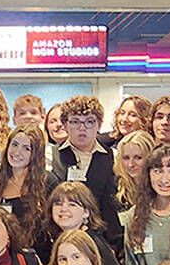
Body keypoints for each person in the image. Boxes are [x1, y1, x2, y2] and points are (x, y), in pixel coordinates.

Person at [49, 95, 123, 253]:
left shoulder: (114, 157)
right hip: (60, 239)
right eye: (75, 122)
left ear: (99, 125)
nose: (82, 128)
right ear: (65, 125)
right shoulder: (50, 156)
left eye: (89, 121)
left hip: (103, 241)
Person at [39, 182, 133, 265]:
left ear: (86, 212)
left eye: (72, 204)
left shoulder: (91, 242)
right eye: (58, 204)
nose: (63, 209)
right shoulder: (63, 240)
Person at [0, 124, 52, 248]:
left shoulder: (48, 182)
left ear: (36, 154)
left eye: (26, 148)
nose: (17, 152)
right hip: (2, 257)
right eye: (14, 145)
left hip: (38, 258)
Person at [114, 130, 153, 215]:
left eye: (138, 158)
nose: (131, 164)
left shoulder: (160, 188)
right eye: (126, 158)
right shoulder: (113, 188)